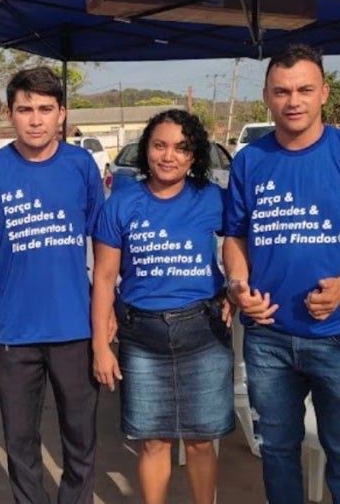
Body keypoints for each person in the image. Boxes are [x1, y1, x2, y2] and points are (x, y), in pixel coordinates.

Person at [223, 44, 340, 503]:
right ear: (266, 95)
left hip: (338, 335)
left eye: (305, 89)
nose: (294, 101)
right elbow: (235, 237)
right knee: (278, 451)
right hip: (268, 337)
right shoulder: (249, 160)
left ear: (324, 92)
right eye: (282, 91)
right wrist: (237, 285)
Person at [0, 67, 105, 503]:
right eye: (25, 109)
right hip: (13, 330)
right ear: (10, 114)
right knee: (20, 441)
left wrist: (106, 314)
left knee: (80, 439)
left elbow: (104, 245)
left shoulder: (81, 166)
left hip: (74, 327)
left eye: (45, 109)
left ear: (62, 114)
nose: (36, 119)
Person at [91, 109, 233, 504]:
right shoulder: (120, 203)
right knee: (154, 441)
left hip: (203, 332)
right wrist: (100, 346)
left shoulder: (211, 199)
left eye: (181, 148)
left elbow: (241, 244)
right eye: (159, 145)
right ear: (145, 150)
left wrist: (235, 291)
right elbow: (104, 277)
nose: (169, 156)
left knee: (201, 442)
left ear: (194, 156)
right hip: (142, 335)